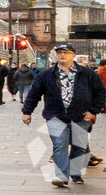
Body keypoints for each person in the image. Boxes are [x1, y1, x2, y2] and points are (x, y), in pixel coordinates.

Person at [24, 44, 105, 187]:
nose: (62, 55)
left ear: (73, 55)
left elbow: (101, 93)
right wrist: (27, 111)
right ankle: (62, 177)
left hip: (81, 117)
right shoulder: (46, 74)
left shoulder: (87, 74)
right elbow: (34, 93)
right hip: (55, 116)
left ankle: (75, 173)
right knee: (59, 145)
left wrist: (93, 110)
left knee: (79, 147)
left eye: (66, 53)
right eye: (59, 52)